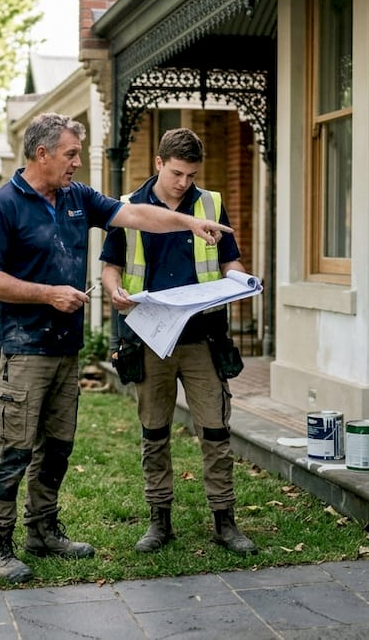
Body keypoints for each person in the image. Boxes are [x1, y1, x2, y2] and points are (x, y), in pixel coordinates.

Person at [0, 113, 234, 583]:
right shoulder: (2, 206)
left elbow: (135, 213)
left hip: (65, 347)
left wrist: (189, 222)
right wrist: (47, 293)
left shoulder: (77, 199)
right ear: (42, 153)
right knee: (14, 447)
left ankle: (43, 530)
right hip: (22, 348)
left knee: (58, 447)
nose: (77, 162)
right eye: (71, 153)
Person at [98, 127, 257, 557]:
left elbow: (230, 260)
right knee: (154, 432)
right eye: (176, 173)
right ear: (158, 164)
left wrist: (241, 281)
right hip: (150, 337)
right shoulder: (128, 208)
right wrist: (114, 290)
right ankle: (158, 521)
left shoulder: (211, 204)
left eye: (190, 174)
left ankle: (225, 522)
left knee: (216, 431)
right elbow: (110, 266)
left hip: (203, 337)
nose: (183, 182)